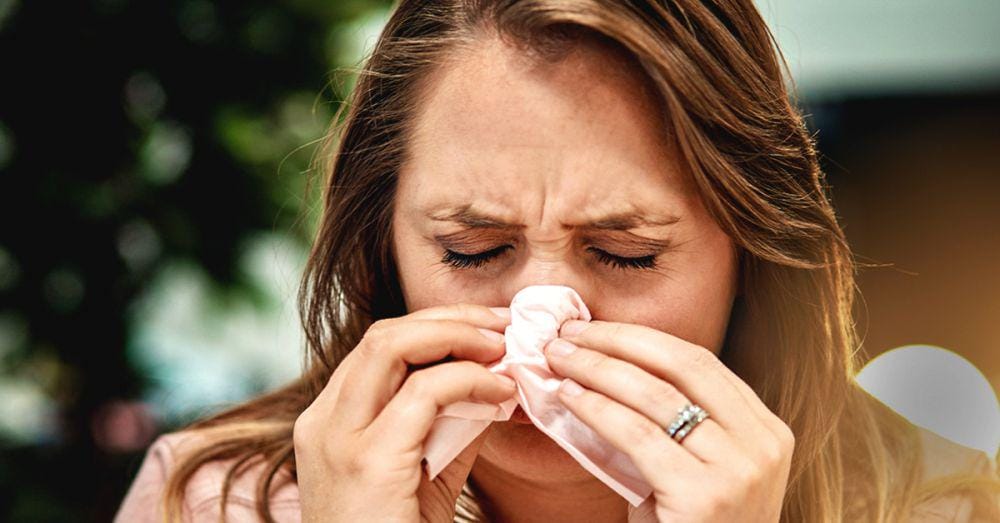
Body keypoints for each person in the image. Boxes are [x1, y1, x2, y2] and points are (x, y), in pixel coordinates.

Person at [115, 0, 1000, 521]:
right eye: (473, 248)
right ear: (380, 240)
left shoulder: (940, 503)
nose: (544, 316)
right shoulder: (207, 497)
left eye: (627, 253)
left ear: (754, 253)